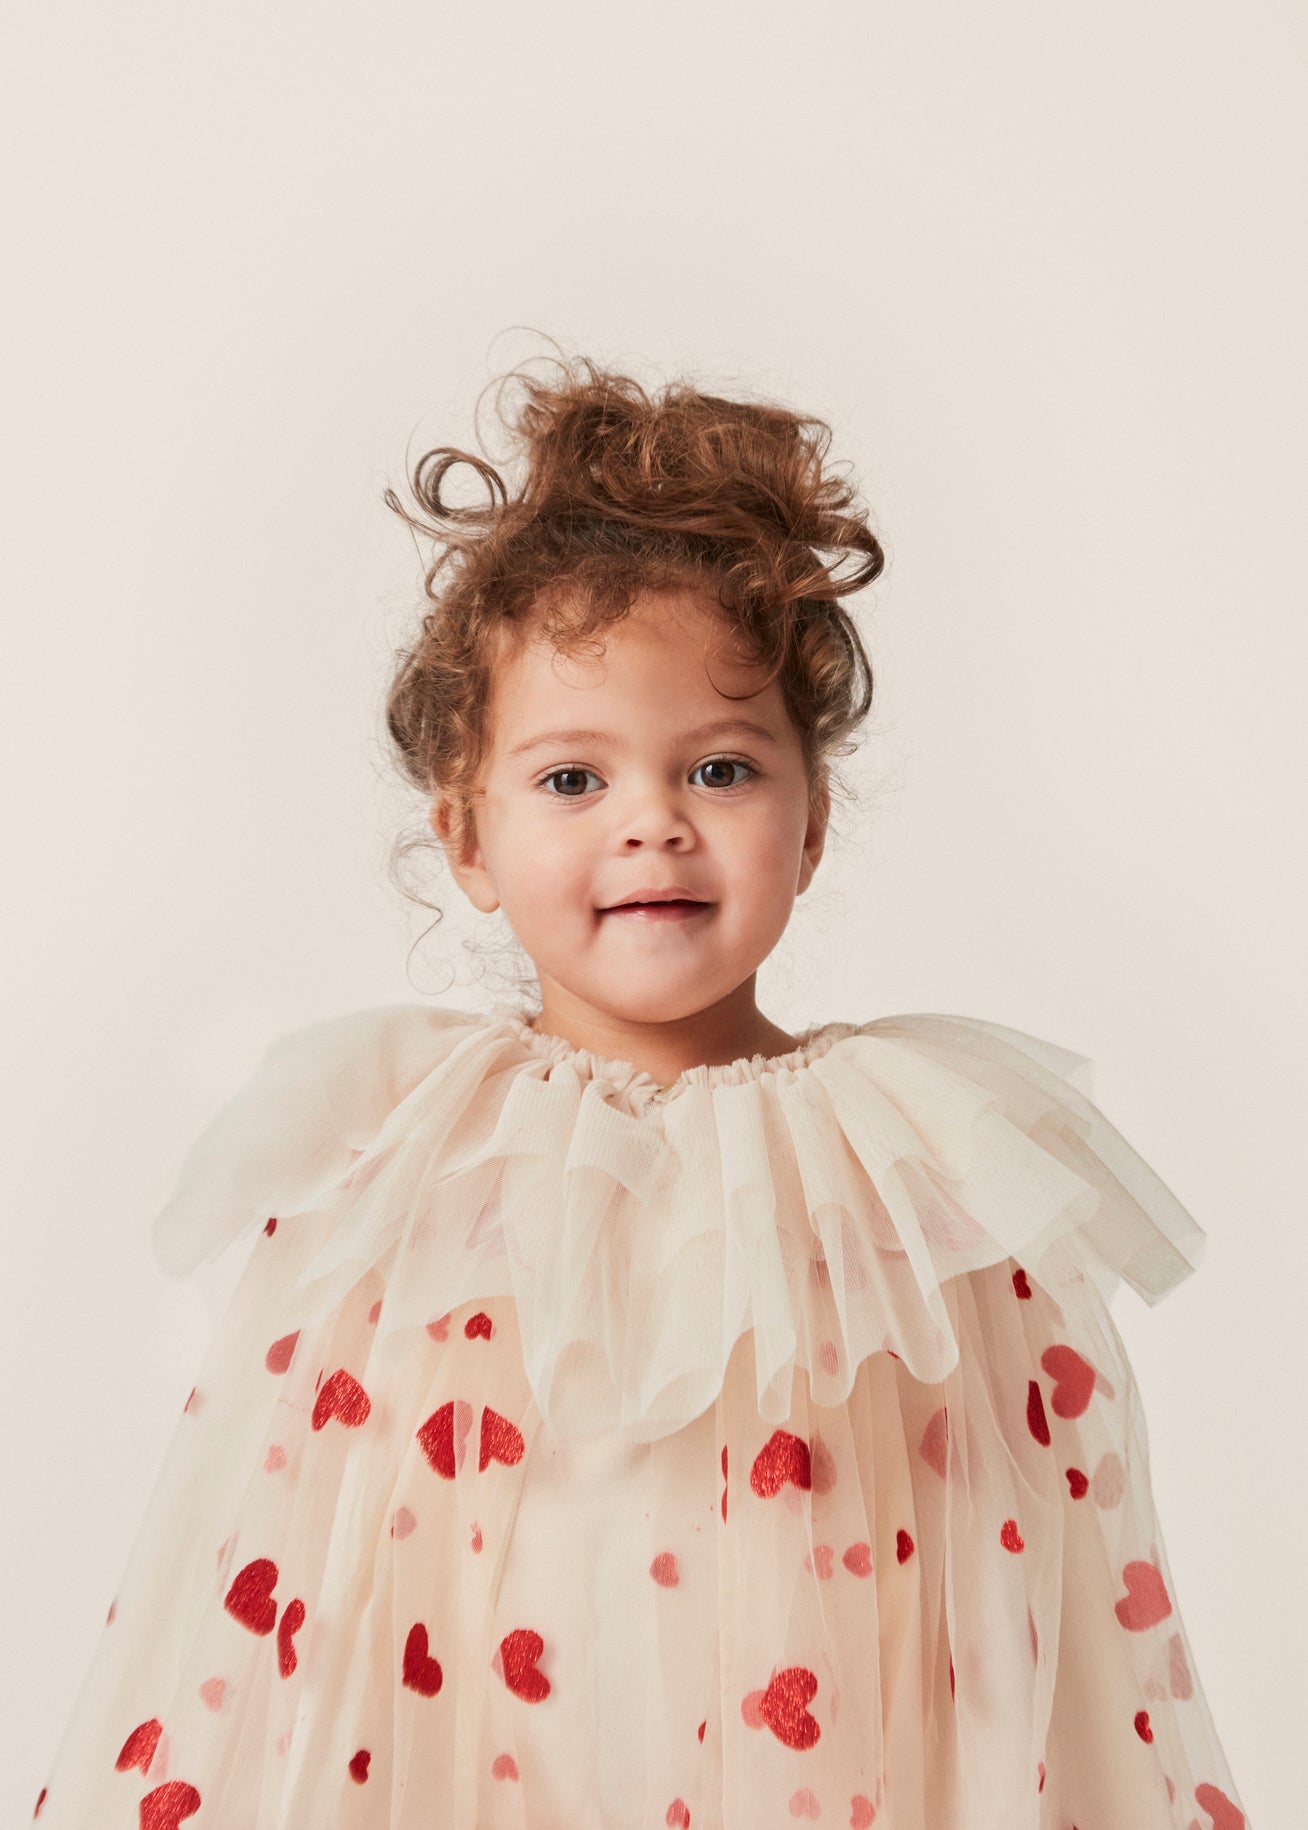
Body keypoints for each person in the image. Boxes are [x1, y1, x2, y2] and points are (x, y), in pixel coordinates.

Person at [33, 354, 1249, 1828]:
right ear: (466, 838)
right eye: (572, 780)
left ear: (811, 822)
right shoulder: (415, 1163)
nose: (653, 823)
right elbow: (317, 1573)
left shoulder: (913, 1176)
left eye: (721, 770)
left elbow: (1014, 1600)